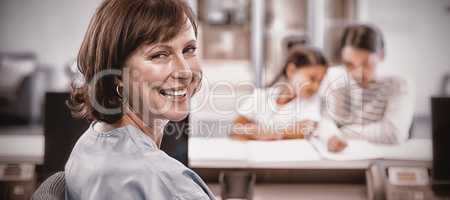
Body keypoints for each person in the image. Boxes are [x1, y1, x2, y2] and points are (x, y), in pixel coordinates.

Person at [64, 0, 214, 199]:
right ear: (117, 73)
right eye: (160, 55)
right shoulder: (167, 183)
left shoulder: (89, 144)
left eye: (189, 50)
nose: (185, 71)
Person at [317, 24, 414, 152]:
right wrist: (331, 133)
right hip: (343, 157)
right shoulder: (334, 77)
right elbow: (325, 121)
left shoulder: (399, 83)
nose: (357, 73)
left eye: (366, 64)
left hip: (382, 157)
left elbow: (393, 135)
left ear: (381, 55)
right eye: (349, 64)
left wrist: (339, 132)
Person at [231, 46, 329, 140]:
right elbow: (235, 127)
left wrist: (272, 133)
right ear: (291, 71)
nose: (316, 86)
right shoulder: (261, 96)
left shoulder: (312, 100)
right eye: (312, 79)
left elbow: (308, 127)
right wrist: (247, 131)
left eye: (320, 81)